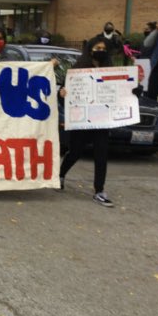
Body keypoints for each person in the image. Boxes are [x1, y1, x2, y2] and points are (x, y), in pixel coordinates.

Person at [58, 36, 115, 207]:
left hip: (102, 120)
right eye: (97, 47)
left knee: (101, 154)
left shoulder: (110, 70)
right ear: (90, 49)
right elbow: (65, 95)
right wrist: (62, 94)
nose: (100, 51)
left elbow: (120, 92)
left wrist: (134, 90)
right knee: (75, 151)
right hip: (82, 119)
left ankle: (99, 190)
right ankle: (60, 174)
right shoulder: (79, 69)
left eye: (103, 48)